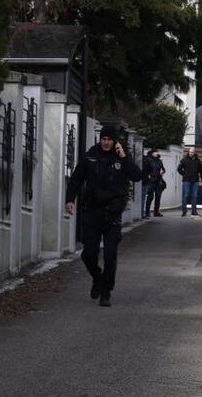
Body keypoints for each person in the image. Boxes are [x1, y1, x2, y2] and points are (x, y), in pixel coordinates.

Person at [65, 126, 141, 307]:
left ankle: (106, 292)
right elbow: (76, 178)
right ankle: (97, 277)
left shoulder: (121, 158)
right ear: (100, 139)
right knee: (88, 254)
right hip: (92, 211)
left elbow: (137, 176)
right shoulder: (91, 156)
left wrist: (125, 157)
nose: (106, 142)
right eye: (103, 139)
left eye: (109, 139)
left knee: (110, 255)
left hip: (112, 213)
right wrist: (70, 199)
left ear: (115, 141)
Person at [177, 147, 202, 216]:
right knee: (185, 196)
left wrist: (197, 174)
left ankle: (194, 211)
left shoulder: (198, 160)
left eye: (193, 152)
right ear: (188, 152)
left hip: (195, 181)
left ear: (194, 152)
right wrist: (184, 174)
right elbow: (179, 169)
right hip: (186, 180)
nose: (191, 153)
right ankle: (184, 211)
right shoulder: (184, 160)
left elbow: (200, 169)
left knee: (194, 196)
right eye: (190, 152)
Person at [144, 149, 166, 218]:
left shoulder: (159, 161)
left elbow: (163, 169)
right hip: (151, 181)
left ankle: (156, 212)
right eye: (155, 152)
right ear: (152, 153)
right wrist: (148, 176)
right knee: (150, 197)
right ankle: (147, 212)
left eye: (157, 152)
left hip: (158, 181)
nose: (157, 153)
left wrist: (163, 171)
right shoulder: (148, 160)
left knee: (158, 197)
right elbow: (146, 170)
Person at [141, 151, 152, 219]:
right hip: (145, 180)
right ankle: (141, 213)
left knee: (140, 197)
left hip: (137, 180)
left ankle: (141, 213)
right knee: (142, 198)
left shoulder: (135, 158)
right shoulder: (146, 160)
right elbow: (150, 169)